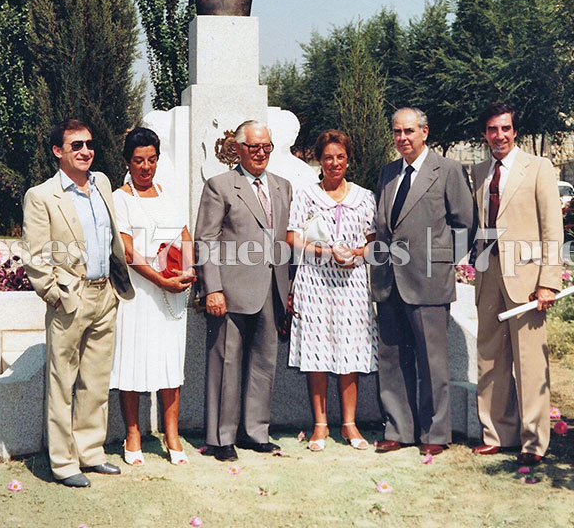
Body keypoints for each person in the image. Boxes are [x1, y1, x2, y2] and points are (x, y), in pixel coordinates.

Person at [22, 119, 134, 487]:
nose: (86, 151)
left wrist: (113, 289)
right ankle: (63, 463)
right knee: (62, 382)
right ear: (59, 151)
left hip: (106, 295)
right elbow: (36, 257)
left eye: (89, 144)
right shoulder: (42, 196)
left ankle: (90, 453)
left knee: (96, 381)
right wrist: (55, 294)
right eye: (77, 146)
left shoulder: (101, 182)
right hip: (70, 299)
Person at [371, 107, 475, 456]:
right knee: (392, 359)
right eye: (397, 132)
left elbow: (464, 225)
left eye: (409, 132)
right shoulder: (388, 172)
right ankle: (399, 429)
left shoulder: (446, 170)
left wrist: (442, 264)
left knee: (432, 362)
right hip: (389, 282)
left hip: (429, 283)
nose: (402, 138)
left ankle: (435, 432)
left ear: (424, 132)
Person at [471, 103, 563, 466]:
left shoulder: (538, 168)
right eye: (492, 129)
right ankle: (497, 434)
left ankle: (533, 443)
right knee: (490, 359)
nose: (500, 136)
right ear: (484, 134)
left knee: (529, 362)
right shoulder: (478, 171)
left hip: (527, 281)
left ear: (515, 131)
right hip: (488, 276)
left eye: (505, 128)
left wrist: (548, 283)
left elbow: (551, 229)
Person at [195, 120, 292, 461]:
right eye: (254, 147)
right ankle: (221, 438)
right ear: (238, 149)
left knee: (265, 362)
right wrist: (213, 289)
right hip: (230, 291)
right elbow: (205, 240)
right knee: (226, 361)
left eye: (266, 147)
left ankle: (255, 431)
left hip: (272, 288)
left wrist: (289, 288)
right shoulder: (220, 186)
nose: (261, 153)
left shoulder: (283, 187)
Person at [109, 127, 196, 467]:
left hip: (173, 293)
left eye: (151, 160)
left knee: (169, 362)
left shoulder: (169, 194)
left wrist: (186, 270)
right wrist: (160, 280)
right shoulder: (120, 198)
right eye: (138, 161)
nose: (145, 167)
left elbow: (184, 234)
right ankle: (133, 434)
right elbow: (129, 251)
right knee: (133, 361)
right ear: (128, 162)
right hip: (141, 293)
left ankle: (171, 435)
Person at [287, 130, 377, 451]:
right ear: (318, 161)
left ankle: (350, 424)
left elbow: (373, 244)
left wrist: (353, 254)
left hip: (352, 284)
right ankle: (321, 424)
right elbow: (292, 239)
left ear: (348, 159)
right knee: (317, 350)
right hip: (314, 282)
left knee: (350, 350)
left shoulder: (365, 197)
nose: (334, 163)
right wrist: (324, 253)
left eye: (340, 157)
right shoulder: (306, 195)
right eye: (328, 158)